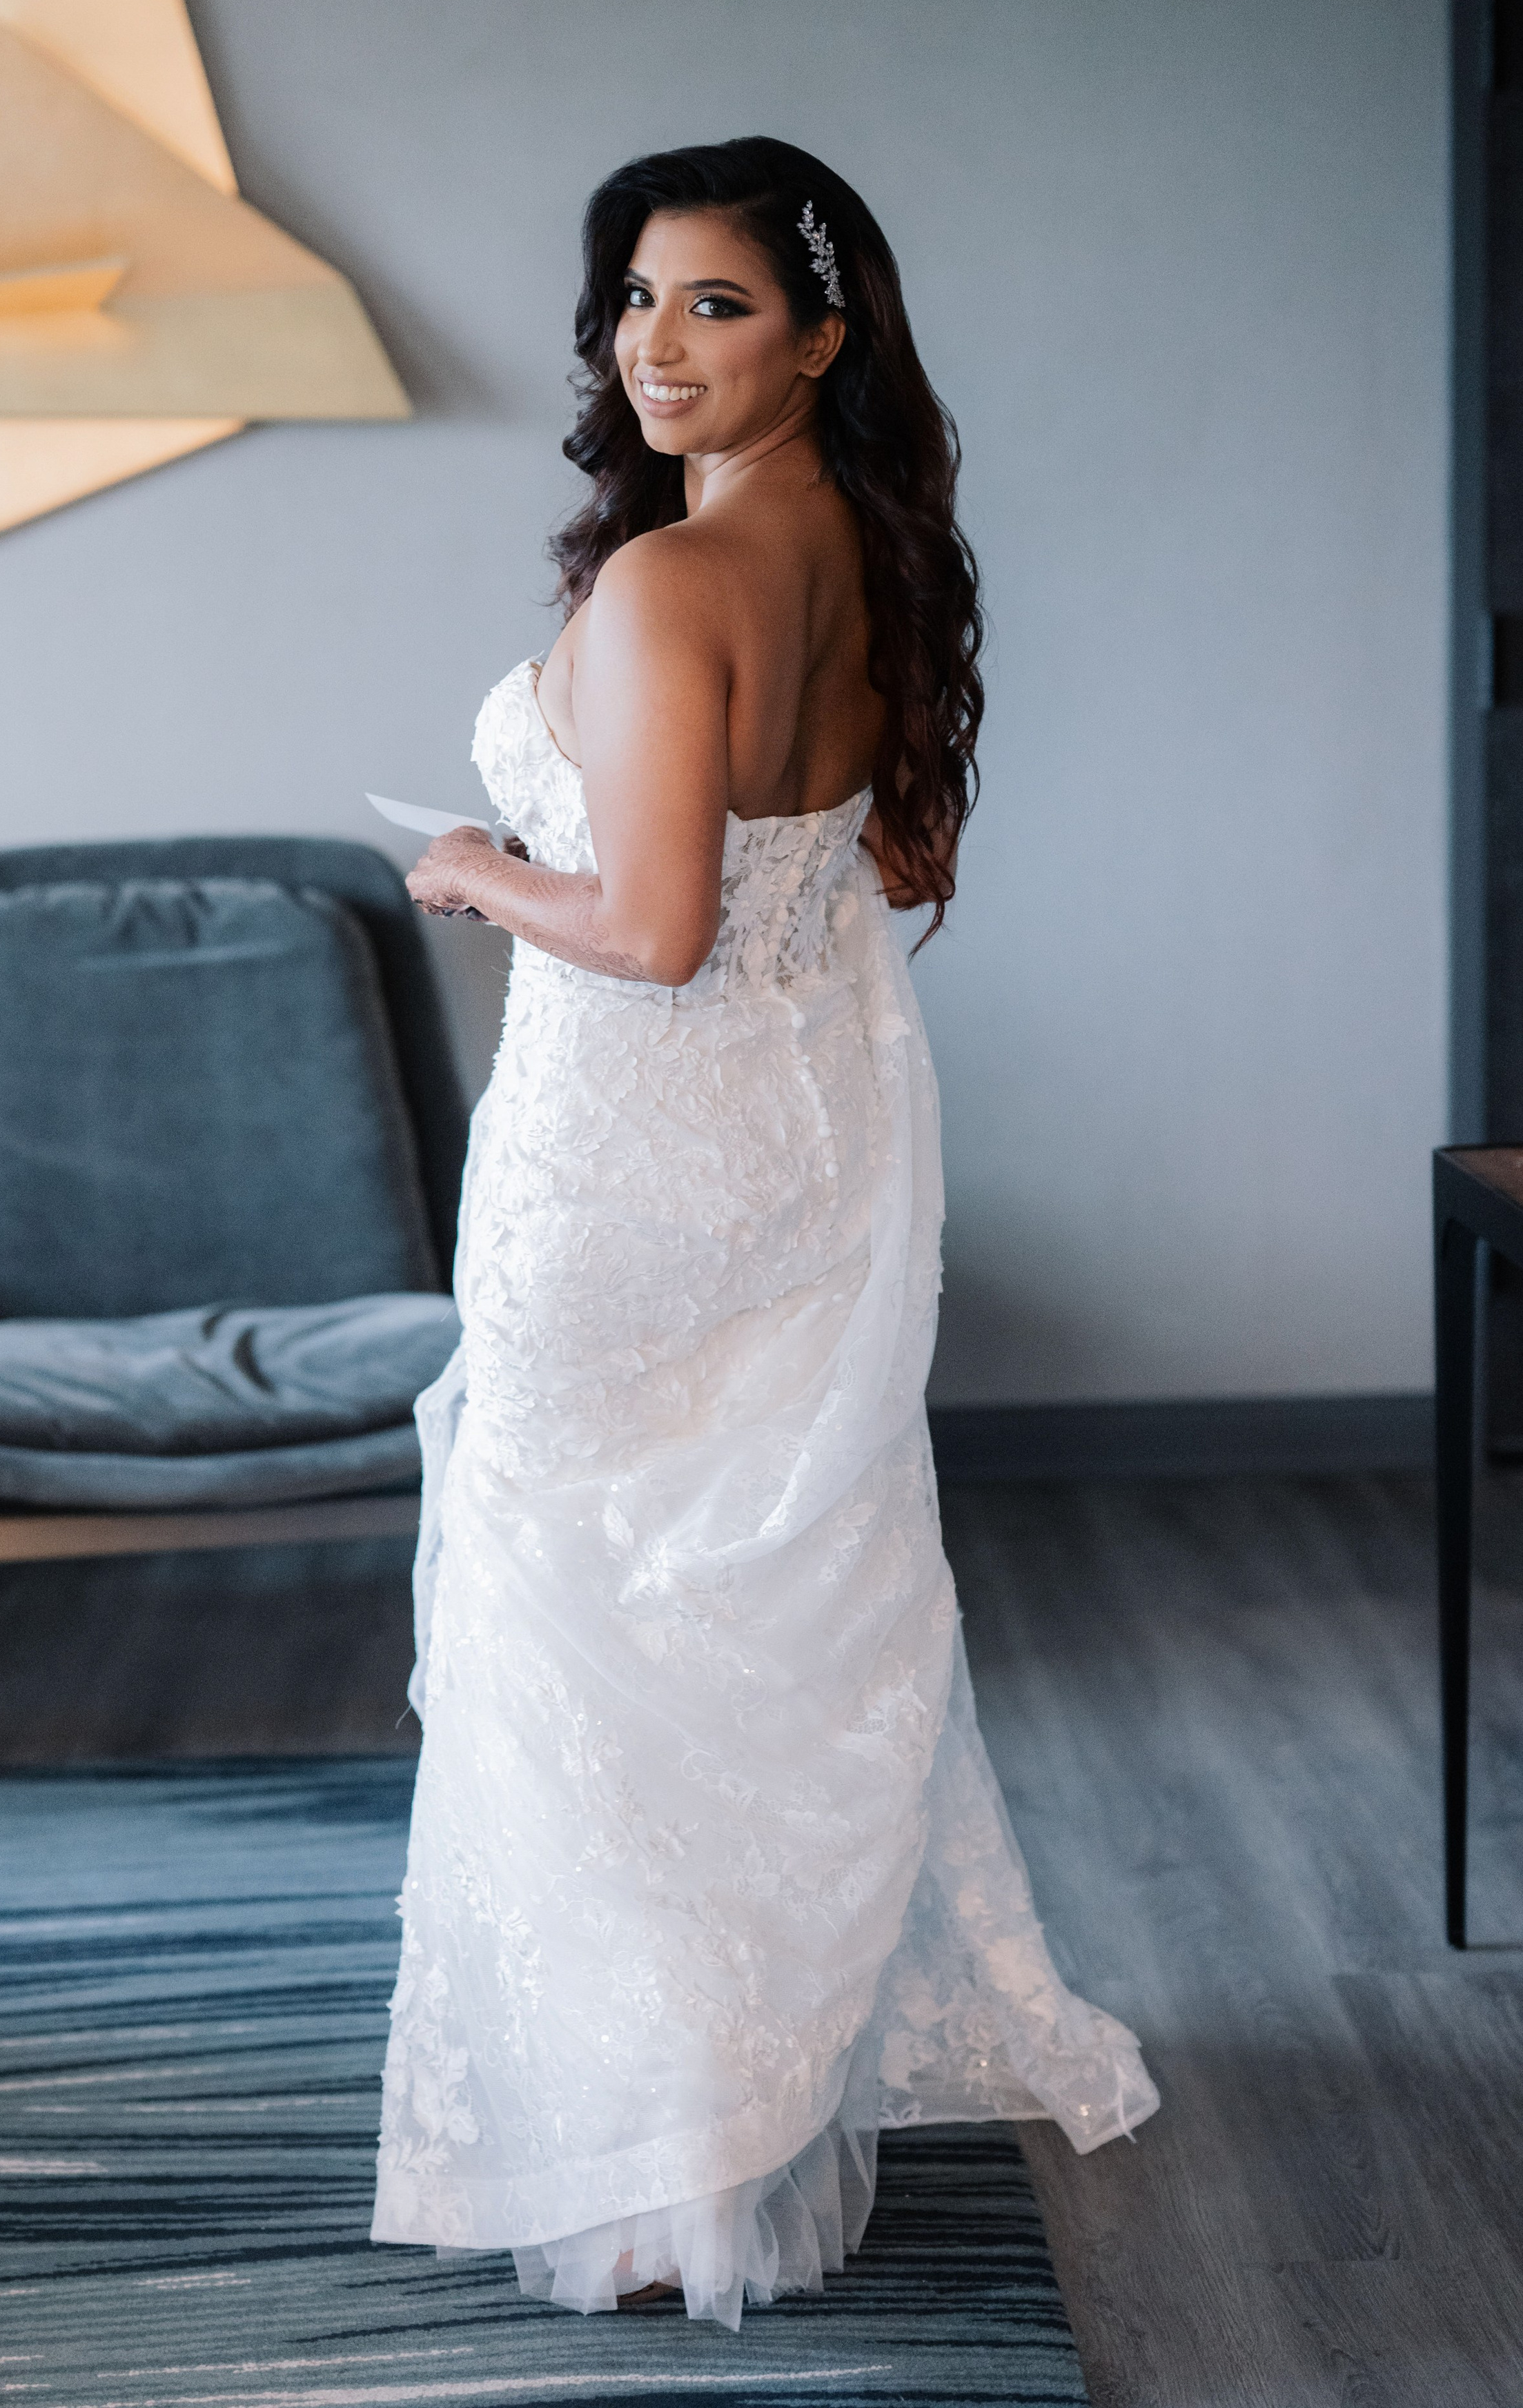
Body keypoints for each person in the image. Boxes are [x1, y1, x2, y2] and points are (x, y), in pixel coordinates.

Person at [370, 137, 1156, 2331]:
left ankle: (641, 2184)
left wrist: (462, 863)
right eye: (634, 299)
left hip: (622, 1164)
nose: (654, 345)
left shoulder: (662, 589)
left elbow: (646, 923)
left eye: (714, 305)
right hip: (802, 1155)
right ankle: (736, 2113)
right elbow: (875, 870)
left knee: (581, 1625)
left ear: (822, 335)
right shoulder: (883, 563)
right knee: (744, 1614)